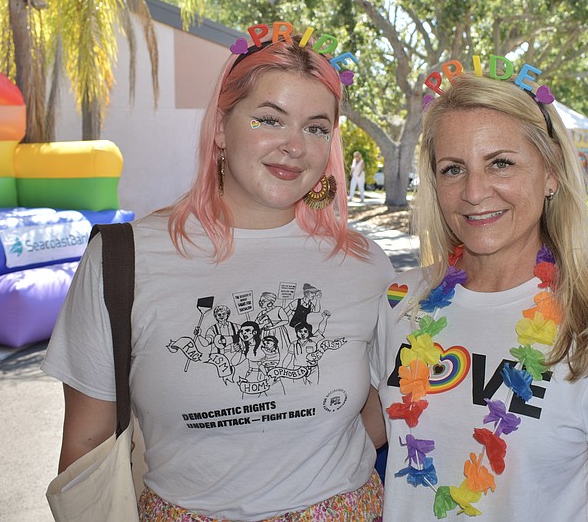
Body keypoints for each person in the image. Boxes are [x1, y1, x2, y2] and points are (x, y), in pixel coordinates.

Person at [42, 25, 395, 520]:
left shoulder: (365, 264)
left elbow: (386, 403)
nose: (295, 145)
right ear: (219, 130)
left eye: (316, 127)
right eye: (270, 120)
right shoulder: (123, 259)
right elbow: (84, 442)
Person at [370, 74, 588, 521]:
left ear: (551, 172)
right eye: (453, 168)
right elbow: (348, 440)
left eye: (501, 163)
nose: (474, 193)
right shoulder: (401, 300)